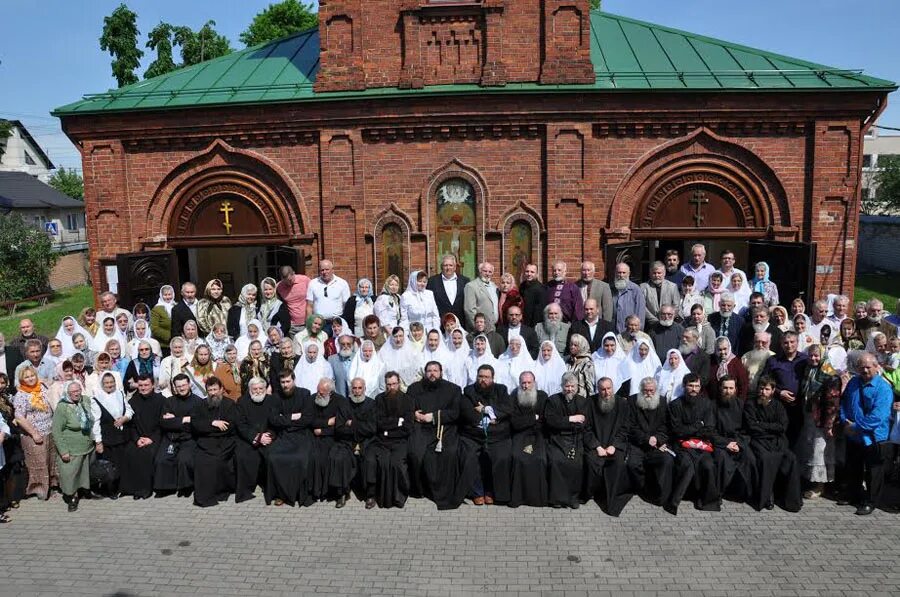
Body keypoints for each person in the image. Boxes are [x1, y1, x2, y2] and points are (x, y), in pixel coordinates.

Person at [840, 353, 894, 515]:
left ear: (876, 367)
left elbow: (878, 415)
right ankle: (854, 494)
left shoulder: (883, 388)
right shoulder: (853, 382)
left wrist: (856, 426)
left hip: (874, 437)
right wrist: (844, 421)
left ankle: (871, 501)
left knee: (873, 471)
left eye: (868, 367)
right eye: (861, 367)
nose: (864, 370)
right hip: (854, 435)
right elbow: (844, 403)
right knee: (853, 466)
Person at [407, 361, 463, 509]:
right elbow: (407, 407)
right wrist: (413, 414)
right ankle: (420, 489)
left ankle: (443, 492)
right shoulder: (414, 388)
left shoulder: (453, 389)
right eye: (429, 371)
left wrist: (434, 417)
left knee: (449, 453)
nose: (432, 374)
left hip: (444, 428)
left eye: (435, 371)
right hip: (420, 428)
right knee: (415, 454)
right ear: (425, 373)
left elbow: (456, 413)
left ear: (441, 372)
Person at [744, 375, 802, 512]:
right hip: (758, 441)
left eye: (767, 389)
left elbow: (782, 426)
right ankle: (766, 497)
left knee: (791, 458)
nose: (763, 392)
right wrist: (771, 427)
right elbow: (751, 426)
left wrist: (762, 425)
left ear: (773, 390)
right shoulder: (750, 404)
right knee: (766, 459)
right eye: (761, 388)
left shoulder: (778, 406)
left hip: (777, 441)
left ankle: (788, 498)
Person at [666, 374, 720, 514]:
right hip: (682, 446)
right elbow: (677, 431)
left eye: (696, 386)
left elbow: (709, 429)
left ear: (700, 387)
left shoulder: (707, 404)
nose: (694, 389)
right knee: (686, 465)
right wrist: (698, 425)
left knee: (708, 465)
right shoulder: (675, 405)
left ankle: (705, 501)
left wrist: (691, 431)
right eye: (690, 386)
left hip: (702, 446)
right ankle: (674, 501)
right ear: (684, 387)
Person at [458, 365, 512, 505]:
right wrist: (485, 419)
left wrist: (486, 409)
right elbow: (466, 410)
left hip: (498, 435)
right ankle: (477, 492)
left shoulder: (501, 390)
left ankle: (491, 491)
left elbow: (507, 409)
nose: (483, 380)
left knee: (500, 457)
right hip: (473, 434)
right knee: (470, 457)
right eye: (480, 376)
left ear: (493, 378)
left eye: (486, 377)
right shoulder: (469, 390)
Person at [799, 343, 842, 499]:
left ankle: (820, 486)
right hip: (809, 415)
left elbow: (833, 402)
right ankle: (810, 481)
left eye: (817, 355)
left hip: (822, 419)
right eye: (811, 355)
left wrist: (830, 423)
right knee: (810, 449)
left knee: (820, 451)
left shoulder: (830, 374)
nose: (813, 358)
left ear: (823, 355)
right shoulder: (809, 370)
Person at [266, 370, 314, 507]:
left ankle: (299, 493)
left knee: (300, 458)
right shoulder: (275, 397)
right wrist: (292, 417)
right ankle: (281, 494)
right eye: (282, 382)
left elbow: (307, 419)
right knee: (274, 457)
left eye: (288, 381)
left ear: (294, 380)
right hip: (284, 435)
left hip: (301, 435)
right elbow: (273, 420)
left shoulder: (305, 394)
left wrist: (284, 418)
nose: (285, 385)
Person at [623, 377, 673, 507]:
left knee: (666, 461)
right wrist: (646, 439)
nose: (648, 393)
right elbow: (630, 426)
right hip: (637, 443)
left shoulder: (662, 402)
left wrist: (657, 438)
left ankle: (660, 494)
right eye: (645, 391)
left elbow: (665, 425)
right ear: (641, 390)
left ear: (656, 390)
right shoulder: (632, 401)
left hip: (657, 444)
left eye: (651, 391)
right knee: (632, 464)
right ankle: (642, 489)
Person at [544, 372, 589, 508]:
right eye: (566, 386)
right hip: (557, 439)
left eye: (572, 386)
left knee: (576, 464)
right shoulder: (553, 400)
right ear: (562, 386)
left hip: (576, 439)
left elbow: (583, 422)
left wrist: (564, 422)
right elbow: (550, 421)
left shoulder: (582, 401)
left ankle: (573, 498)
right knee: (556, 461)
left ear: (577, 386)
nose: (569, 389)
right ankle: (557, 499)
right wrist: (571, 419)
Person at [584, 377, 629, 515]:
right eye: (603, 389)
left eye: (609, 388)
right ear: (598, 390)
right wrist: (597, 446)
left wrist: (614, 446)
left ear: (613, 388)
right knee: (591, 462)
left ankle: (610, 497)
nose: (606, 392)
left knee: (617, 463)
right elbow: (586, 428)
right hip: (596, 445)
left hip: (614, 446)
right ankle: (593, 493)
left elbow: (625, 429)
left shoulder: (622, 403)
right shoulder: (590, 403)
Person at [13, 366, 58, 500]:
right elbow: (20, 418)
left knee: (50, 460)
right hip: (33, 435)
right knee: (38, 463)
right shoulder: (21, 394)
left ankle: (51, 485)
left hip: (49, 431)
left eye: (32, 375)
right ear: (22, 379)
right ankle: (39, 489)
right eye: (26, 377)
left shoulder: (42, 387)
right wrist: (34, 433)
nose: (30, 378)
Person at [190, 377, 237, 507]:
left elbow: (229, 426)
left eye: (215, 389)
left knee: (217, 459)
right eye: (210, 390)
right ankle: (204, 496)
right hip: (205, 441)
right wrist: (213, 423)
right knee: (201, 461)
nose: (213, 393)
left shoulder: (230, 404)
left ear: (221, 389)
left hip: (225, 440)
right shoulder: (200, 405)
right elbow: (195, 424)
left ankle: (220, 491)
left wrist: (208, 429)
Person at [155, 374, 203, 498]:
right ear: (175, 388)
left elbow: (196, 424)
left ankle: (185, 487)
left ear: (189, 384)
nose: (181, 388)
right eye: (178, 386)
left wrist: (175, 420)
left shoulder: (198, 402)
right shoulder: (169, 401)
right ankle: (166, 488)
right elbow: (164, 423)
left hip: (189, 438)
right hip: (170, 437)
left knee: (184, 459)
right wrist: (185, 419)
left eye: (184, 385)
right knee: (162, 459)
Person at [369, 371, 412, 509]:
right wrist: (397, 422)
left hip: (401, 440)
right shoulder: (379, 399)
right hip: (383, 441)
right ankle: (383, 498)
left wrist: (390, 427)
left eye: (394, 384)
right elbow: (379, 423)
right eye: (388, 385)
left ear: (399, 383)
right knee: (383, 463)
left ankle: (399, 497)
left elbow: (408, 425)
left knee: (396, 464)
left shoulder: (408, 400)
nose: (391, 387)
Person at [506, 372, 548, 508]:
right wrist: (533, 418)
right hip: (520, 434)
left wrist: (532, 420)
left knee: (540, 459)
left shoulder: (542, 396)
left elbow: (544, 420)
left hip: (538, 435)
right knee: (517, 457)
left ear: (534, 383)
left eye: (529, 383)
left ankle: (537, 499)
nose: (526, 386)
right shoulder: (513, 397)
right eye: (523, 383)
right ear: (519, 383)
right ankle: (518, 498)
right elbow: (515, 423)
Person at [51, 381, 95, 512]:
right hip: (71, 448)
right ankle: (72, 497)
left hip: (86, 445)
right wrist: (63, 450)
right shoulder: (62, 407)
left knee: (83, 472)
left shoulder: (85, 400)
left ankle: (83, 491)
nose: (76, 394)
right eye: (73, 392)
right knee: (70, 474)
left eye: (78, 391)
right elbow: (56, 431)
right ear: (67, 393)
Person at [710, 376, 754, 505]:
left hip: (738, 441)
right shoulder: (713, 405)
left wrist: (738, 443)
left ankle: (744, 493)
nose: (728, 391)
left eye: (731, 388)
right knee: (721, 459)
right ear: (720, 388)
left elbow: (747, 429)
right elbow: (710, 430)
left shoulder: (741, 405)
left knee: (749, 458)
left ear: (735, 389)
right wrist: (726, 444)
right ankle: (718, 494)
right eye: (725, 388)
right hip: (720, 443)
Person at [333, 377, 376, 507]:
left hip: (367, 442)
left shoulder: (371, 404)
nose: (357, 391)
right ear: (351, 389)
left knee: (370, 460)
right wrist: (360, 427)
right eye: (354, 388)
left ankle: (370, 495)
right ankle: (342, 493)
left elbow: (372, 428)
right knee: (339, 458)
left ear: (364, 389)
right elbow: (339, 428)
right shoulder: (344, 404)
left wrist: (352, 424)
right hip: (347, 442)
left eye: (359, 388)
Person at [119, 375, 164, 500]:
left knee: (146, 454)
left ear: (152, 385)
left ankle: (144, 490)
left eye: (146, 385)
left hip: (155, 438)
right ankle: (130, 488)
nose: (143, 388)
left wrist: (151, 439)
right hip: (138, 437)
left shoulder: (161, 400)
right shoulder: (132, 402)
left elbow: (163, 424)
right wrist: (137, 438)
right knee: (129, 452)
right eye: (141, 385)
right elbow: (130, 425)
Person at [762, 331, 809, 452]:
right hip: (779, 407)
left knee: (797, 441)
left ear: (797, 343)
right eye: (786, 342)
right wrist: (779, 392)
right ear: (781, 344)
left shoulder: (805, 360)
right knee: (780, 439)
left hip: (799, 407)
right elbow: (764, 381)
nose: (789, 345)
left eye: (792, 342)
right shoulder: (773, 360)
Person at [91, 371, 134, 498]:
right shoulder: (96, 399)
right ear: (102, 384)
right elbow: (95, 422)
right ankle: (110, 490)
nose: (109, 385)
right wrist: (98, 441)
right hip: (108, 438)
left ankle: (122, 487)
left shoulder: (120, 393)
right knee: (110, 465)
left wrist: (125, 418)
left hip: (122, 436)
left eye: (111, 382)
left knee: (121, 463)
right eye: (106, 383)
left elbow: (129, 409)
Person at [233, 377, 274, 503]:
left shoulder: (272, 400)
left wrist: (269, 436)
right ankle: (245, 490)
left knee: (272, 456)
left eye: (261, 388)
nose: (258, 391)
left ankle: (270, 489)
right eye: (254, 389)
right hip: (248, 438)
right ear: (249, 390)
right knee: (242, 456)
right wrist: (256, 437)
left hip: (267, 437)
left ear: (265, 389)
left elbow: (276, 422)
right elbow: (240, 424)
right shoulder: (242, 401)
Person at [306, 260, 351, 331]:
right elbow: (309, 306)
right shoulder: (313, 283)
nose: (324, 272)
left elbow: (347, 305)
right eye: (322, 270)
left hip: (337, 323)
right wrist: (308, 324)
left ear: (332, 270)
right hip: (318, 323)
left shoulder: (342, 283)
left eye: (327, 269)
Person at [426, 254, 470, 324]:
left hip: (460, 323)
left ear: (455, 267)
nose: (448, 268)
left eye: (450, 265)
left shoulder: (465, 281)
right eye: (445, 265)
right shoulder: (432, 281)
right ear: (441, 267)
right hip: (440, 323)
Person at [640, 261, 680, 327]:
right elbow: (642, 307)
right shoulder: (643, 287)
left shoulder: (672, 286)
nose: (656, 275)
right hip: (650, 324)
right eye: (654, 273)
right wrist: (654, 321)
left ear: (664, 273)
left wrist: (667, 318)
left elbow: (676, 306)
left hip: (669, 323)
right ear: (650, 274)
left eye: (659, 273)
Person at [709, 337, 749, 401]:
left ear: (729, 348)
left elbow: (743, 385)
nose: (722, 352)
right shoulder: (710, 360)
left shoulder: (737, 363)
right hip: (712, 403)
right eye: (720, 350)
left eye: (725, 349)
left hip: (732, 403)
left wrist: (739, 403)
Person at [276, 266, 311, 336]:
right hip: (292, 326)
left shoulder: (305, 280)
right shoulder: (279, 287)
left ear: (293, 273)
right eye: (286, 281)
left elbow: (314, 298)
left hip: (307, 323)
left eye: (290, 280)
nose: (289, 283)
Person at [464, 262, 499, 332]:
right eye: (485, 271)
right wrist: (477, 327)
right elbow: (469, 310)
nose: (487, 274)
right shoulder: (471, 286)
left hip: (493, 328)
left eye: (490, 272)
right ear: (480, 271)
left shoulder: (494, 287)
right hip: (480, 329)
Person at [612, 262, 645, 333]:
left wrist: (638, 331)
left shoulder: (636, 289)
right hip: (613, 331)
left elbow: (640, 312)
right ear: (615, 273)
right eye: (619, 272)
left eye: (624, 273)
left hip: (629, 331)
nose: (621, 275)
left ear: (629, 274)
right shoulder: (610, 288)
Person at [742, 332, 775, 399]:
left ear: (769, 343)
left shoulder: (774, 357)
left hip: (767, 396)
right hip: (749, 395)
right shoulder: (746, 357)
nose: (760, 345)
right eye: (757, 342)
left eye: (764, 342)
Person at [566, 334, 596, 399]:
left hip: (582, 398)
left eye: (575, 345)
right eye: (571, 344)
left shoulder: (587, 363)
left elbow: (590, 385)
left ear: (582, 346)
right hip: (568, 397)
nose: (572, 347)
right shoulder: (568, 361)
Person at [518, 263, 547, 328]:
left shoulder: (541, 289)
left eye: (532, 272)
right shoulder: (522, 286)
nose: (529, 274)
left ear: (537, 274)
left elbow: (539, 312)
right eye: (527, 271)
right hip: (522, 322)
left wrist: (534, 326)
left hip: (534, 324)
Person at [150, 285, 176, 354]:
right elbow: (154, 328)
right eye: (165, 295)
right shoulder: (156, 309)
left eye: (169, 294)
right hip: (164, 345)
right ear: (161, 295)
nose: (168, 297)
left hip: (177, 344)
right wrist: (170, 336)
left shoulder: (176, 306)